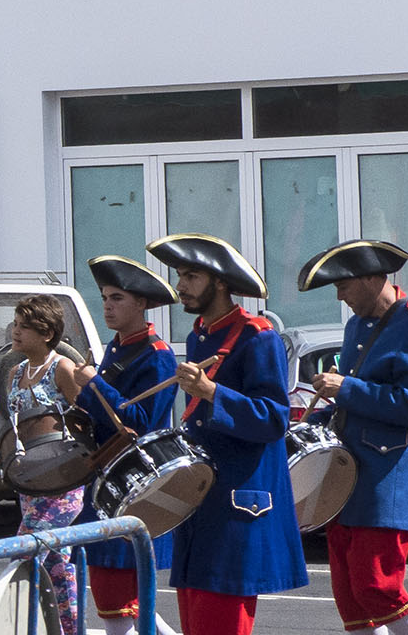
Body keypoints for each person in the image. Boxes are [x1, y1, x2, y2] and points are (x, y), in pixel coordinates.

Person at [148, 232, 306, 635]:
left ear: (220, 282)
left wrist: (211, 392)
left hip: (235, 497)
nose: (180, 285)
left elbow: (274, 418)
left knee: (221, 622)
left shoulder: (257, 336)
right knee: (196, 620)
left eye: (190, 276)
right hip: (202, 497)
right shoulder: (202, 333)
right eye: (179, 275)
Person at [299, 239, 408, 635]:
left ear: (369, 277)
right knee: (350, 596)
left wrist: (345, 389)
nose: (341, 296)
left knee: (377, 586)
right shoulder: (356, 325)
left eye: (343, 285)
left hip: (391, 476)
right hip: (353, 476)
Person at [68, 257, 179, 635]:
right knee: (123, 604)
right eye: (104, 298)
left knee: (119, 605)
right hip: (106, 480)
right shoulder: (117, 349)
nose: (107, 306)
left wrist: (93, 386)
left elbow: (142, 422)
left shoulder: (157, 355)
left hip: (132, 484)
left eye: (117, 298)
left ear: (141, 304)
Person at [0, 295, 83, 633]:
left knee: (26, 551)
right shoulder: (16, 371)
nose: (14, 332)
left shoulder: (62, 367)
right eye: (15, 325)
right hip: (30, 482)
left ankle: (15, 625)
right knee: (58, 565)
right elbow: (15, 428)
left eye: (24, 327)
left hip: (63, 482)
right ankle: (67, 628)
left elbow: (85, 420)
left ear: (47, 333)